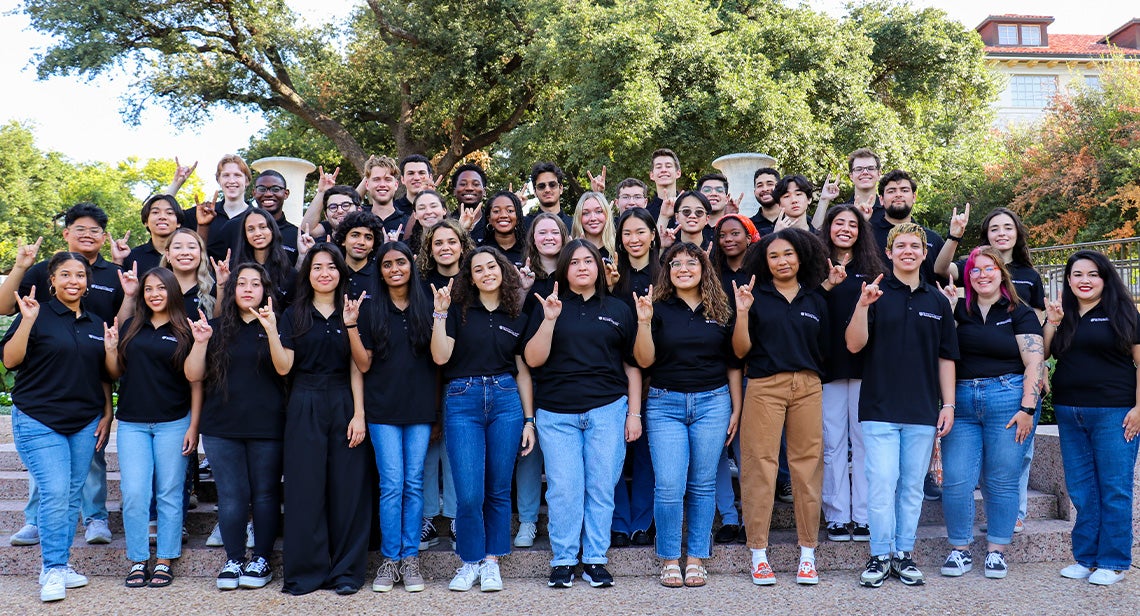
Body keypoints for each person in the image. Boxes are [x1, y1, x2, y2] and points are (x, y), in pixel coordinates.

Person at [0, 203, 125, 548]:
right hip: (41, 405)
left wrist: (106, 407)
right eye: (79, 228)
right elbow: (9, 343)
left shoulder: (113, 277)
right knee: (52, 478)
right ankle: (39, 527)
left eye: (94, 230)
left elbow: (104, 359)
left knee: (78, 475)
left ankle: (92, 518)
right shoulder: (40, 278)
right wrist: (21, 266)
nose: (74, 280)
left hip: (85, 401)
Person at [524, 239, 641, 589]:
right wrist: (549, 320)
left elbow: (633, 366)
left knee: (601, 486)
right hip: (557, 413)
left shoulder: (619, 309)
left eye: (588, 261)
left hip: (607, 409)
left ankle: (594, 559)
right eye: (574, 263)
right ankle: (563, 559)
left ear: (600, 268)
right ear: (564, 269)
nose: (582, 268)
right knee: (564, 488)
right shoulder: (549, 305)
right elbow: (532, 360)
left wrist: (634, 414)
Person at [846, 223, 958, 589]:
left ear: (925, 254)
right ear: (889, 253)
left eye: (916, 246)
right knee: (881, 482)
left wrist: (949, 405)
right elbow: (853, 345)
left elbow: (946, 357)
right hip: (879, 407)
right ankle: (879, 555)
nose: (908, 251)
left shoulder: (938, 301)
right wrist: (862, 306)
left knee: (911, 486)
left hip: (922, 410)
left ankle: (904, 554)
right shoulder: (875, 293)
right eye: (901, 245)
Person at [1, 252, 112, 602]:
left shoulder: (96, 323)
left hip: (84, 421)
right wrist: (29, 320)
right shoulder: (35, 313)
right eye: (65, 275)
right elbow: (10, 360)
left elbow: (105, 375)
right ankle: (51, 568)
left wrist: (107, 412)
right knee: (54, 491)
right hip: (39, 418)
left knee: (70, 495)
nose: (73, 281)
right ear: (53, 279)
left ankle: (61, 566)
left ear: (88, 282)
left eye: (80, 275)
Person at [633, 242, 741, 588]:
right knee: (668, 485)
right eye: (676, 264)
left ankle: (695, 558)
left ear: (703, 268)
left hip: (713, 401)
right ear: (667, 271)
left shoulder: (721, 307)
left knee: (702, 483)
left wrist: (736, 407)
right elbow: (645, 361)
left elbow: (734, 363)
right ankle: (668, 558)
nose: (683, 269)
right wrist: (644, 323)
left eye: (691, 263)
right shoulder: (658, 307)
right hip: (665, 403)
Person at [430, 246, 535, 591]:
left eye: (492, 266)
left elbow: (522, 370)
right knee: (469, 491)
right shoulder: (459, 311)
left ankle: (491, 562)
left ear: (503, 271)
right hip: (462, 399)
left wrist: (529, 420)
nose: (487, 272)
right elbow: (441, 357)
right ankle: (469, 561)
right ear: (469, 277)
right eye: (478, 269)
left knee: (499, 488)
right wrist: (440, 315)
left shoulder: (517, 312)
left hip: (506, 400)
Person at [732, 228, 833, 585]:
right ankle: (758, 553)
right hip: (764, 385)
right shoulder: (753, 296)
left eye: (788, 254)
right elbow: (740, 351)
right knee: (760, 465)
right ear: (764, 261)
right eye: (774, 256)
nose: (782, 261)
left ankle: (808, 554)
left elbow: (826, 349)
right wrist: (742, 313)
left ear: (801, 257)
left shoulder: (816, 300)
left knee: (807, 467)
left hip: (807, 385)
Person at [939, 246, 1044, 580]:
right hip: (963, 400)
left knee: (1001, 478)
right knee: (956, 479)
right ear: (967, 277)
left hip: (1008, 397)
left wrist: (1028, 408)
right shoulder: (958, 311)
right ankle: (959, 549)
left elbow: (1034, 361)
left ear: (1002, 272)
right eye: (974, 270)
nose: (982, 275)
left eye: (989, 268)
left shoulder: (1018, 311)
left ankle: (997, 550)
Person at [185, 263, 287, 590]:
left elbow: (285, 369)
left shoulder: (278, 325)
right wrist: (200, 343)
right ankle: (233, 558)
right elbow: (193, 375)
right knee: (231, 496)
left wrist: (271, 329)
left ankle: (261, 559)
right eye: (241, 283)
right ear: (231, 290)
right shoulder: (214, 327)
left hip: (268, 425)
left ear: (265, 291)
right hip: (221, 427)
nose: (247, 289)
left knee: (265, 495)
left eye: (255, 284)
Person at [278, 244, 370, 595]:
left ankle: (346, 572)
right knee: (305, 488)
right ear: (308, 274)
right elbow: (284, 367)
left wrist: (359, 414)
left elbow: (358, 367)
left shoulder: (354, 310)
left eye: (331, 267)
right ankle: (307, 572)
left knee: (348, 489)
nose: (324, 273)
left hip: (346, 400)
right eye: (317, 267)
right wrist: (272, 330)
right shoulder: (293, 315)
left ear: (341, 272)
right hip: (304, 400)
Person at [1044, 250, 1140, 586]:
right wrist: (1052, 321)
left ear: (1104, 278)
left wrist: (1139, 408)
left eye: (1092, 274)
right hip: (1071, 413)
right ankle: (1086, 558)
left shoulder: (1122, 312)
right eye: (1077, 275)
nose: (1084, 280)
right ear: (1068, 280)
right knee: (1082, 490)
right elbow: (1041, 353)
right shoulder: (1064, 313)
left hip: (1114, 412)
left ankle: (1113, 562)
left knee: (1114, 488)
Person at [104, 267, 199, 589]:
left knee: (170, 492)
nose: (155, 294)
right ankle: (138, 559)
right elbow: (116, 371)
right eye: (149, 289)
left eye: (161, 288)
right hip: (132, 423)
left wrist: (194, 427)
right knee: (134, 493)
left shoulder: (187, 329)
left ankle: (165, 559)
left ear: (172, 292)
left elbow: (196, 383)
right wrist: (110, 350)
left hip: (174, 421)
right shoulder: (132, 326)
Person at [360, 241, 437, 594]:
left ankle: (410, 559)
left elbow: (439, 364)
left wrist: (437, 412)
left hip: (420, 408)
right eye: (387, 264)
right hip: (382, 409)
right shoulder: (370, 308)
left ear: (411, 265)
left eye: (401, 262)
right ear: (380, 270)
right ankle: (390, 560)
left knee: (413, 482)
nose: (394, 269)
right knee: (392, 484)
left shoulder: (429, 304)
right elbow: (362, 365)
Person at [818, 205, 884, 543]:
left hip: (863, 365)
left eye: (852, 224)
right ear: (828, 227)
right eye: (839, 223)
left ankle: (863, 514)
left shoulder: (873, 268)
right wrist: (828, 284)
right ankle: (837, 514)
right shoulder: (816, 266)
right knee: (832, 442)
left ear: (861, 231)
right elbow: (806, 303)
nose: (845, 229)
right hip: (827, 366)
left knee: (863, 442)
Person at [512, 212, 569, 547]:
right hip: (529, 372)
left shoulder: (574, 271)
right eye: (541, 232)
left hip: (567, 374)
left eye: (554, 231)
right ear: (532, 239)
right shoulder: (522, 275)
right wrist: (522, 290)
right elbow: (510, 323)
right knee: (528, 450)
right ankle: (529, 519)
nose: (548, 237)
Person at [415, 219, 473, 548]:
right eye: (438, 242)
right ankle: (424, 518)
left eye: (452, 241)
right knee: (427, 450)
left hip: (463, 374)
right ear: (430, 249)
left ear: (462, 246)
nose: (445, 247)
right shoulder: (420, 284)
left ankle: (453, 518)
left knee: (455, 453)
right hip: (425, 372)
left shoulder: (471, 281)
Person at [609, 208, 660, 547]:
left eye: (640, 232)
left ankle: (643, 521)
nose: (634, 239)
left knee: (645, 453)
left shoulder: (667, 274)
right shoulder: (612, 277)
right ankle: (617, 521)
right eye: (627, 233)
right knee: (613, 453)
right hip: (615, 374)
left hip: (658, 374)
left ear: (653, 235)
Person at [173, 154, 253, 245]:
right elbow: (162, 217)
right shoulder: (203, 213)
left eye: (237, 175)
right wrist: (176, 184)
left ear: (247, 181)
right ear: (218, 180)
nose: (231, 180)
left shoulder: (257, 217)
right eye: (226, 175)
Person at [231, 208, 297, 308]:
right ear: (245, 234)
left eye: (262, 227)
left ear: (272, 230)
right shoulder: (234, 268)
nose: (257, 233)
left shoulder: (288, 273)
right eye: (251, 229)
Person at [124, 194, 186, 275]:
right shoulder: (133, 256)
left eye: (169, 213)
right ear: (146, 222)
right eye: (155, 212)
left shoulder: (186, 255)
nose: (162, 217)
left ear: (178, 222)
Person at [333, 210, 384, 301]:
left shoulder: (381, 275)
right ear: (343, 240)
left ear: (373, 245)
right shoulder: (333, 273)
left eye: (368, 238)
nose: (361, 242)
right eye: (355, 235)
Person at [362, 155, 408, 236]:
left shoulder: (408, 223)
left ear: (396, 185)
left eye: (388, 179)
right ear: (367, 185)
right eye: (376, 179)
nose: (382, 184)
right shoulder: (358, 219)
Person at [479, 191, 526, 265]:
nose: (503, 215)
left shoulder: (529, 249)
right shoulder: (480, 251)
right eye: (496, 211)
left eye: (510, 211)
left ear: (518, 217)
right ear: (489, 219)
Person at [524, 162, 572, 230]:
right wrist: (514, 205)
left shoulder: (575, 225)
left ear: (561, 188)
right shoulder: (524, 225)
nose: (547, 190)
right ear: (535, 191)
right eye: (541, 186)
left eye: (552, 185)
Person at [571, 191, 616, 259]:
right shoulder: (571, 250)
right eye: (586, 213)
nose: (593, 218)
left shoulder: (619, 247)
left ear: (607, 214)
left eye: (598, 211)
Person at [404, 190, 448, 255]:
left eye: (433, 206)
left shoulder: (456, 241)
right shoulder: (406, 248)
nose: (428, 212)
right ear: (415, 214)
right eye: (422, 208)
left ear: (444, 210)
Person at [647, 148, 682, 221]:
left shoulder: (689, 208)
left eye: (668, 166)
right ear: (652, 175)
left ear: (678, 173)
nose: (663, 170)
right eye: (658, 167)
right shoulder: (646, 213)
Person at [749, 167, 781, 236]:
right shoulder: (749, 225)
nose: (765, 189)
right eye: (760, 185)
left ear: (780, 188)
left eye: (770, 184)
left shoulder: (794, 219)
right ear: (754, 192)